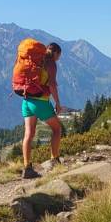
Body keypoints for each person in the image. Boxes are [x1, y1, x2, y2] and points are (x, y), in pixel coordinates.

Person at [20, 42, 63, 179]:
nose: (58, 58)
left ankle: (27, 168)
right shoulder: (51, 63)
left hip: (26, 101)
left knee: (29, 134)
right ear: (55, 53)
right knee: (57, 129)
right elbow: (52, 85)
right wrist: (57, 103)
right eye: (59, 56)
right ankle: (54, 160)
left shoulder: (35, 60)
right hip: (40, 102)